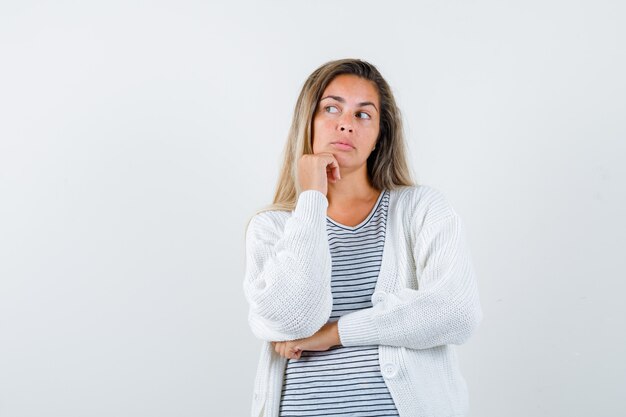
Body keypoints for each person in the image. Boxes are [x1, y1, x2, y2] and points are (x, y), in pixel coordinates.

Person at [242, 58, 483, 417]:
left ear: (380, 135)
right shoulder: (273, 226)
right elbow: (290, 320)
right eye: (331, 108)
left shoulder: (420, 209)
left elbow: (456, 313)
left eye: (363, 114)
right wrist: (311, 200)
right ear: (307, 122)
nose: (345, 124)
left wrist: (336, 332)